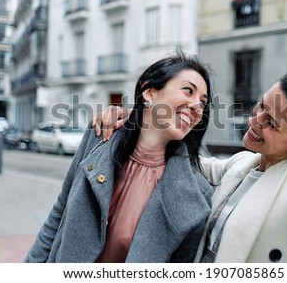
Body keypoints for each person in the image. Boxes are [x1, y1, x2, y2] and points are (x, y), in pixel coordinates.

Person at [93, 68, 287, 263]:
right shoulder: (242, 165)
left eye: (271, 122)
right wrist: (145, 115)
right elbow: (182, 165)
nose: (254, 121)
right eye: (261, 105)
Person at [24, 49, 214, 263]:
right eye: (188, 91)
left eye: (204, 102)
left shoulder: (196, 194)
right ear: (149, 93)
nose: (198, 106)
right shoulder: (99, 138)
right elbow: (58, 215)